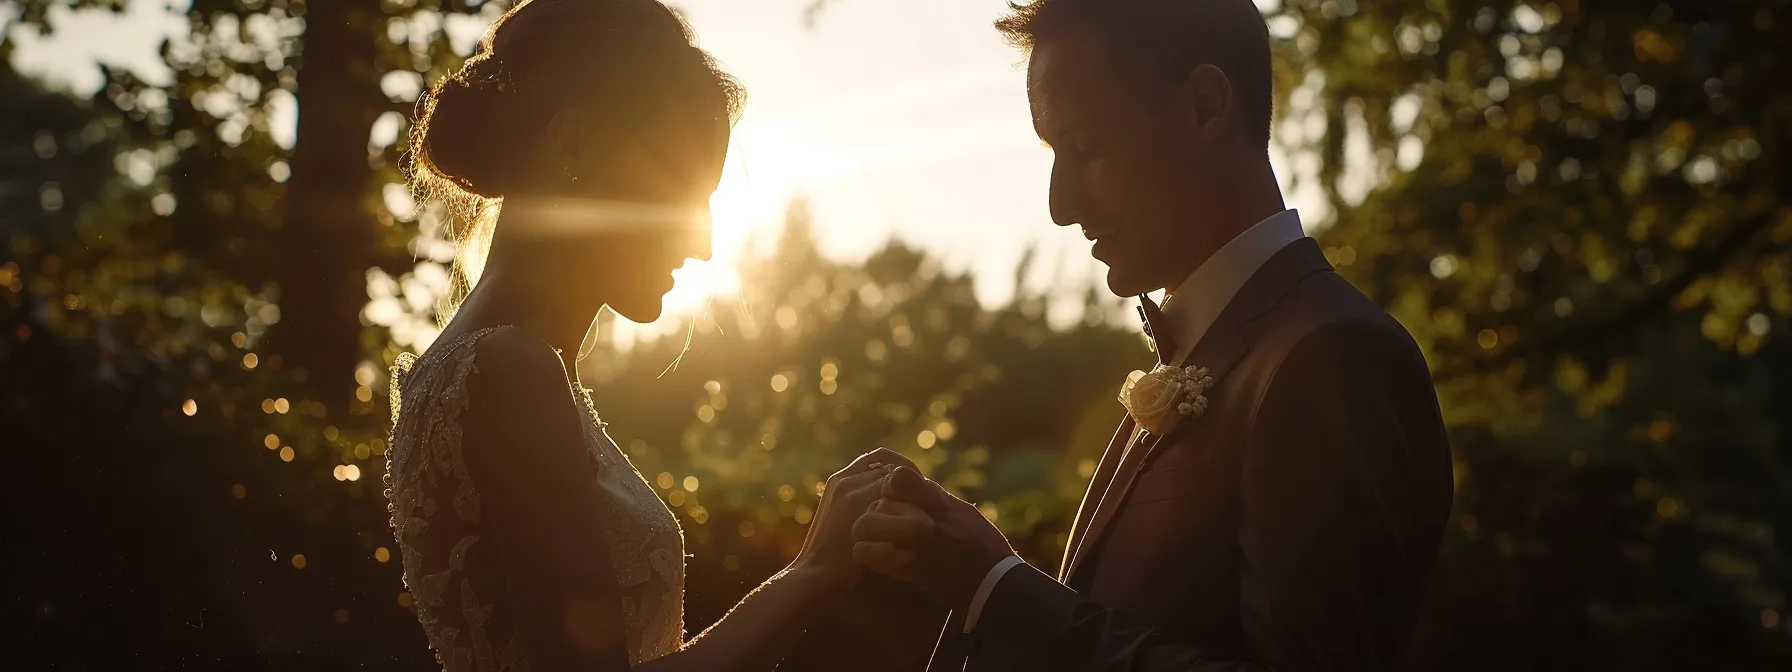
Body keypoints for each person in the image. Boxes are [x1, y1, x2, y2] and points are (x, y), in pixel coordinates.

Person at [851, 0, 1455, 669]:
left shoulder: (1331, 357)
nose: (1060, 206)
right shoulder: (1219, 347)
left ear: (1203, 105)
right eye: (1054, 154)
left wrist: (996, 590)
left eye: (1086, 147)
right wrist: (981, 564)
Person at [383, 1, 916, 670]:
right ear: (574, 146)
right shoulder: (509, 372)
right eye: (681, 191)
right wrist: (813, 573)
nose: (705, 240)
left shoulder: (464, 368)